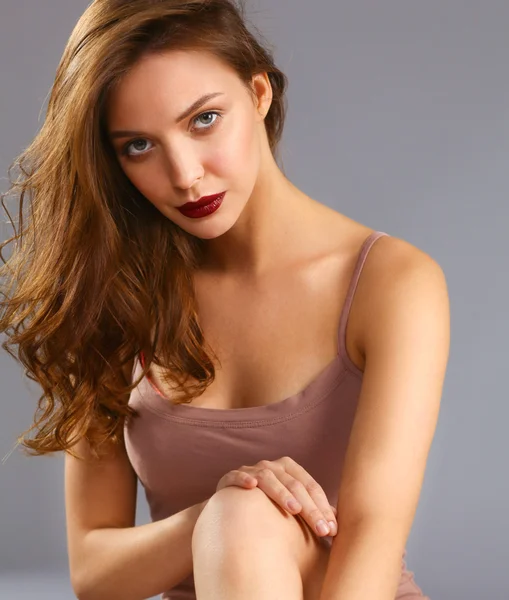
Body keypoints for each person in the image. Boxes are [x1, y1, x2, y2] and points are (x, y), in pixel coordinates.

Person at [0, 1, 450, 599]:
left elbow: (373, 534)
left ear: (258, 92)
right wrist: (212, 513)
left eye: (204, 119)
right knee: (239, 513)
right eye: (138, 146)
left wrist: (236, 517)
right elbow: (93, 571)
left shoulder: (390, 283)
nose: (184, 174)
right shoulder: (120, 295)